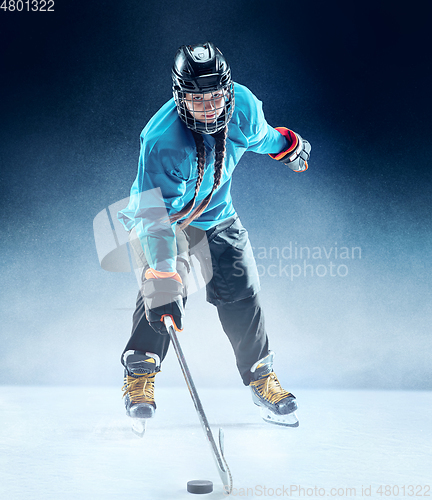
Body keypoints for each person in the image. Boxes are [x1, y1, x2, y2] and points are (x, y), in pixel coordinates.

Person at [118, 42, 311, 428]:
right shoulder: (160, 140)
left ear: (227, 90)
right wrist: (163, 273)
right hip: (165, 222)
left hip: (218, 217)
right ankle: (139, 372)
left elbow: (261, 137)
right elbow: (155, 215)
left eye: (216, 97)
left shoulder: (243, 106)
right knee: (163, 293)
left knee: (243, 291)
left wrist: (287, 147)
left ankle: (261, 378)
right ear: (180, 98)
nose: (210, 108)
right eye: (197, 100)